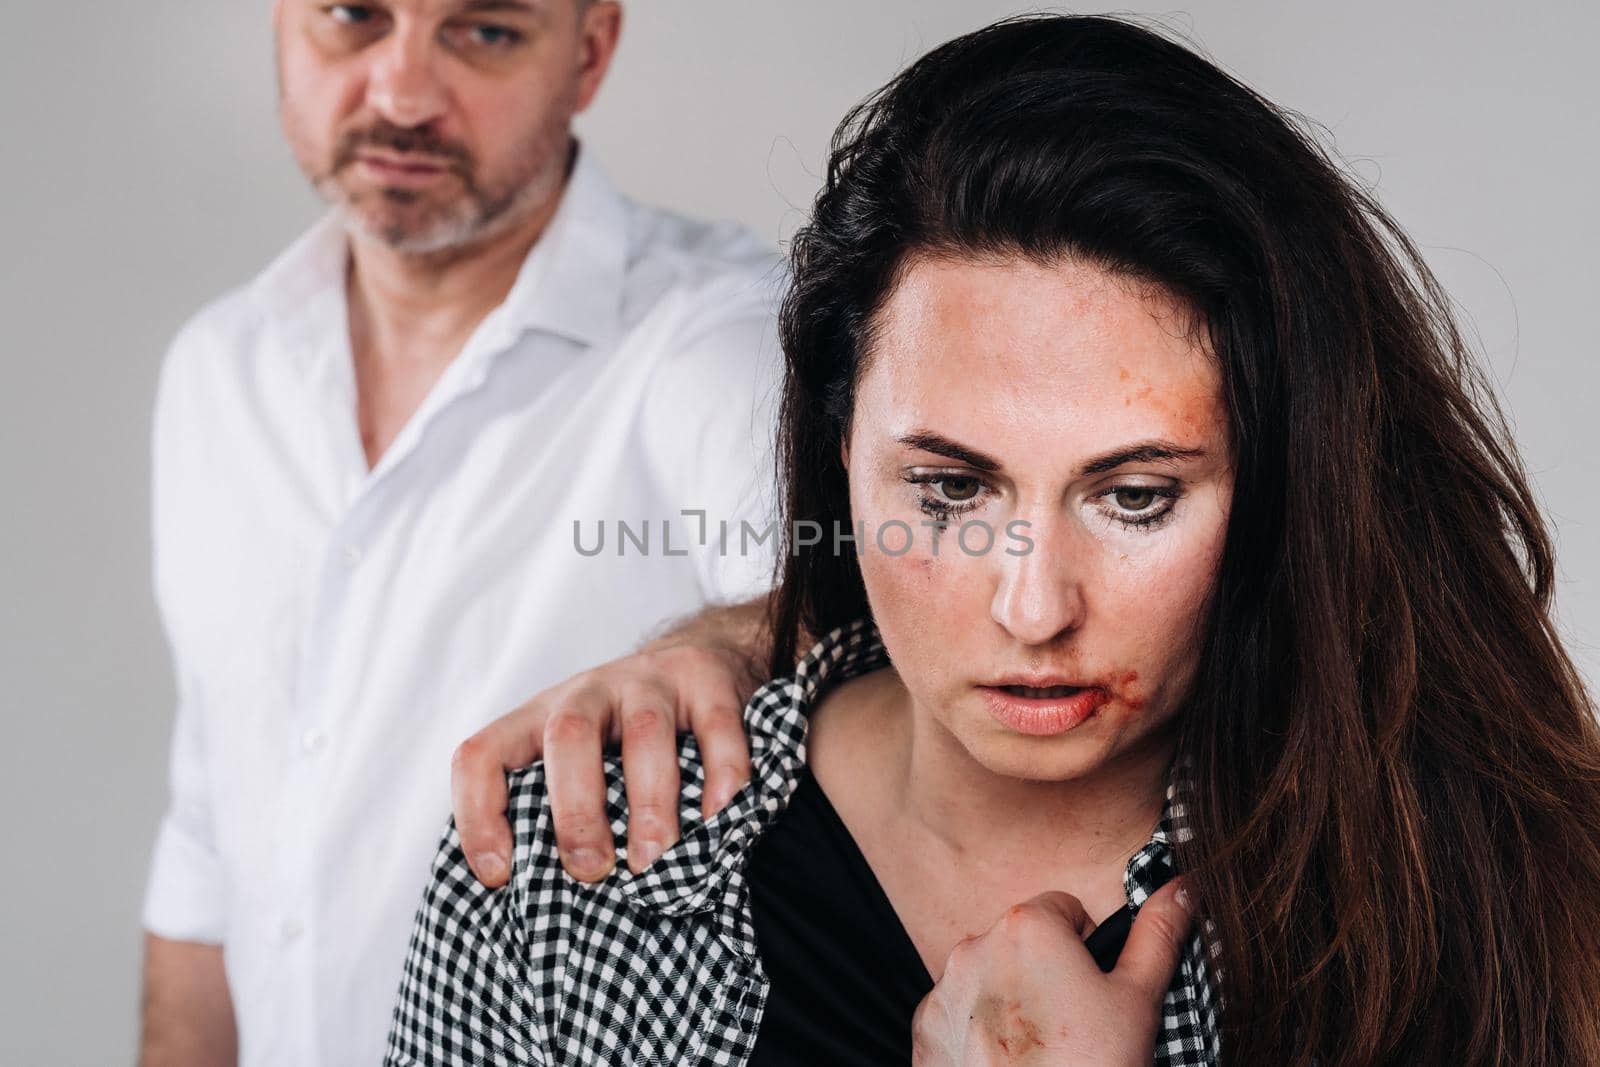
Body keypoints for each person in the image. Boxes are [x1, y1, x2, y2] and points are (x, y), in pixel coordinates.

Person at [391, 13, 1600, 1066]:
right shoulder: (558, 872)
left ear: (1283, 482)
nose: (1034, 609)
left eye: (1133, 496)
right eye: (950, 490)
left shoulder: (1480, 882)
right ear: (838, 448)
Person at [137, 2, 789, 1064]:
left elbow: (871, 622)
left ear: (587, 53)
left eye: (482, 31)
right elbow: (210, 841)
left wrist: (729, 641)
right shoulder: (217, 371)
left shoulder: (723, 342)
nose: (399, 95)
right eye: (353, 17)